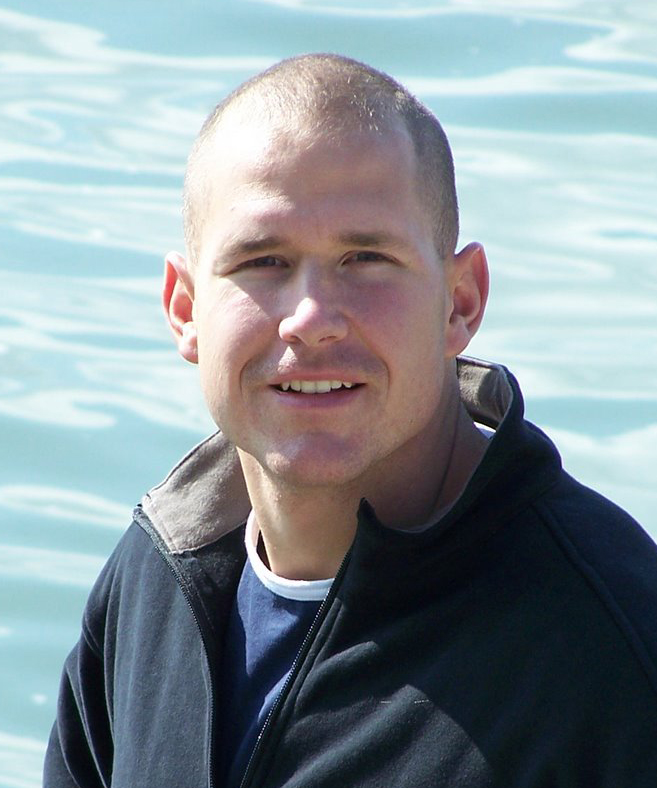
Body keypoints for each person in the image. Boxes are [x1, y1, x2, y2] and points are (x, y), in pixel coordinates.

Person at [44, 54, 657, 788]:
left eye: (365, 257)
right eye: (263, 261)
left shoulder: (609, 646)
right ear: (184, 308)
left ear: (460, 302)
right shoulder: (156, 581)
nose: (310, 318)